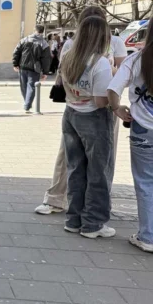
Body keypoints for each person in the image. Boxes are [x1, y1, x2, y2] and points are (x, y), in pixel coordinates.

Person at [35, 6, 126, 215]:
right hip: (82, 105)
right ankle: (59, 199)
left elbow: (122, 74)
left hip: (103, 106)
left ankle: (93, 205)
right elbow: (65, 74)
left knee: (101, 159)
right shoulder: (71, 45)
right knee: (72, 156)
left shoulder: (115, 43)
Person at [60, 15, 116, 238]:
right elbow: (101, 101)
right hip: (94, 118)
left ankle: (73, 219)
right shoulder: (100, 63)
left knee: (75, 168)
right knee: (98, 171)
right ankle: (93, 223)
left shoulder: (68, 57)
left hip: (71, 113)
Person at [108, 29, 153, 253]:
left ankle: (148, 236)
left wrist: (116, 108)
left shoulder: (136, 59)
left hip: (143, 128)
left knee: (145, 182)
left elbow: (113, 88)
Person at [13, 24, 51, 113]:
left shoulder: (24, 40)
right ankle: (27, 105)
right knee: (32, 87)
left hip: (22, 66)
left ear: (34, 30)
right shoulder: (44, 43)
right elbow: (46, 59)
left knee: (24, 86)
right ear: (42, 31)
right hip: (34, 69)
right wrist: (45, 72)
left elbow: (16, 52)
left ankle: (27, 104)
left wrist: (15, 64)